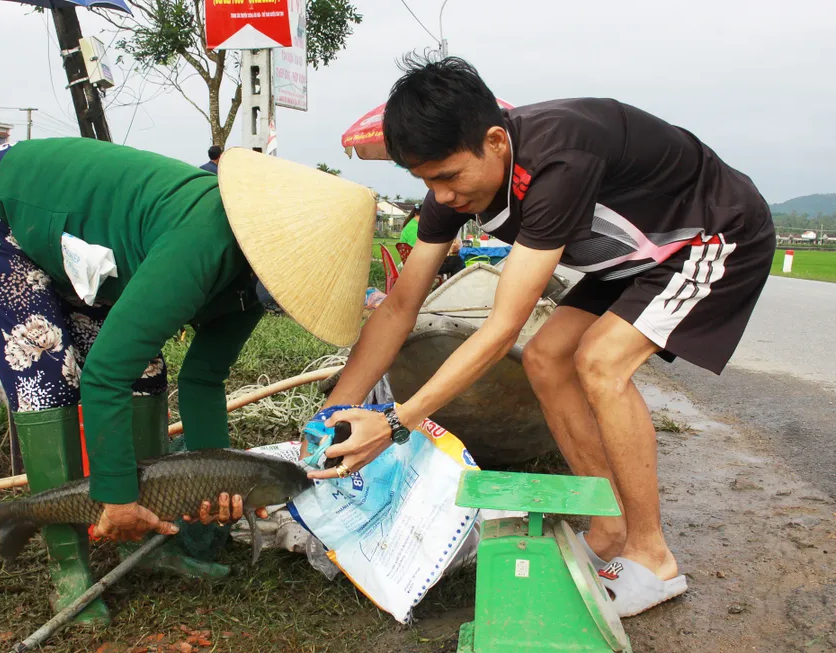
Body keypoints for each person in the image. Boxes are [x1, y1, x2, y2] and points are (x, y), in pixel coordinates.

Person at [307, 56, 774, 618]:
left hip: (713, 234)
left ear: (497, 141)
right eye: (426, 181)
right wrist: (331, 417)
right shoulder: (453, 187)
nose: (443, 196)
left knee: (601, 362)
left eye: (450, 177)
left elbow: (501, 327)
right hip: (633, 258)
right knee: (546, 357)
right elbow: (400, 307)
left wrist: (393, 422)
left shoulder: (559, 158)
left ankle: (654, 558)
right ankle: (607, 529)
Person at [0, 139, 375, 624]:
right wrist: (116, 493)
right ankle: (69, 566)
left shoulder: (251, 285)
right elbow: (105, 376)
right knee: (51, 376)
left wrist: (220, 480)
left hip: (91, 250)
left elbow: (204, 379)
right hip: (3, 207)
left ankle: (151, 542)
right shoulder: (202, 242)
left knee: (145, 372)